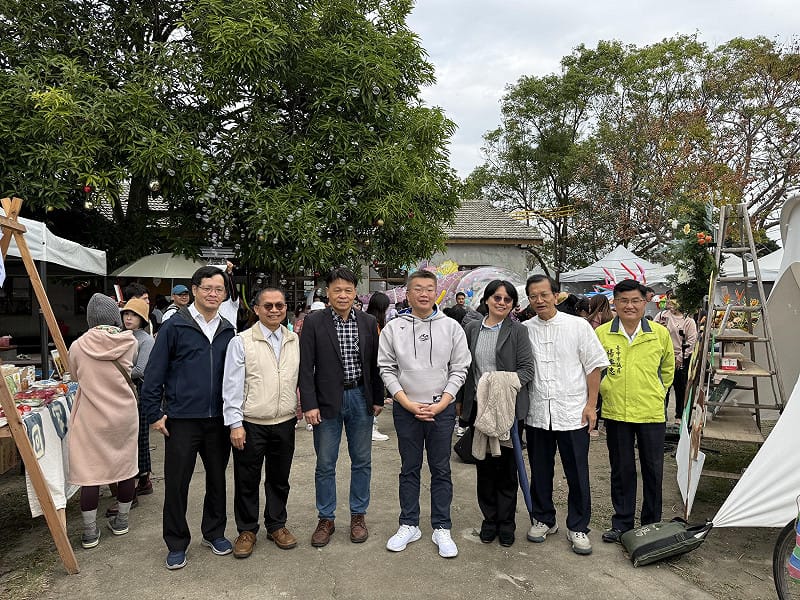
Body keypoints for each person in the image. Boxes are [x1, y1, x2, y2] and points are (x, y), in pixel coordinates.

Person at [140, 266, 236, 570]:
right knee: (177, 483)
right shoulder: (174, 325)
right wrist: (154, 414)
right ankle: (177, 542)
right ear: (194, 290)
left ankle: (214, 532)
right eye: (207, 288)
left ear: (224, 294)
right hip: (181, 419)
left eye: (218, 289)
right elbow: (154, 372)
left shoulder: (227, 329)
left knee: (218, 480)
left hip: (218, 419)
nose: (213, 294)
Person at [378, 270, 471, 558]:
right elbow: (387, 368)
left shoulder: (451, 327)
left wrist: (443, 403)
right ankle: (409, 523)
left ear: (436, 293)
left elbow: (460, 367)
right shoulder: (394, 327)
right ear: (408, 293)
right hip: (407, 410)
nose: (424, 294)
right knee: (410, 468)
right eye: (417, 288)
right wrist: (405, 402)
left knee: (441, 468)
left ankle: (441, 526)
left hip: (440, 411)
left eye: (429, 289)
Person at [523, 275, 610, 555]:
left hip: (573, 412)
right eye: (533, 296)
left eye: (544, 295)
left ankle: (578, 526)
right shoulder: (524, 330)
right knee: (540, 470)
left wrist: (591, 405)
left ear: (556, 296)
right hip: (538, 413)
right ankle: (544, 519)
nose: (539, 300)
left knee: (577, 472)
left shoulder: (578, 326)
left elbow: (594, 366)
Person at [298, 268, 384, 548]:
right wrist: (309, 404)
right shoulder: (314, 322)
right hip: (326, 402)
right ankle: (326, 518)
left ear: (355, 292)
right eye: (337, 290)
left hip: (360, 396)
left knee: (362, 461)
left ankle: (358, 516)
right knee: (325, 463)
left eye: (348, 290)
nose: (343, 295)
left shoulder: (368, 321)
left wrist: (377, 398)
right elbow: (305, 366)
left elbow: (375, 364)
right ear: (328, 293)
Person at [594, 279, 674, 544]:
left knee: (653, 469)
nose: (629, 306)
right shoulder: (603, 333)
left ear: (645, 301)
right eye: (623, 300)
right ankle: (622, 522)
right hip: (617, 412)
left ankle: (651, 523)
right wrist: (606, 390)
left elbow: (667, 370)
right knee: (622, 469)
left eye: (635, 300)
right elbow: (595, 369)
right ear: (614, 303)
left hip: (650, 413)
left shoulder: (659, 333)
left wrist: (657, 393)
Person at [222, 288, 300, 559]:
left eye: (279, 305)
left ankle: (276, 525)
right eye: (268, 306)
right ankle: (246, 530)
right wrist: (235, 424)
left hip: (285, 421)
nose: (274, 310)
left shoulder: (293, 339)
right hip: (251, 422)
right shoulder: (241, 341)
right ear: (256, 309)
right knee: (247, 479)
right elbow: (231, 386)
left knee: (279, 479)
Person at [459, 280, 534, 547]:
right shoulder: (471, 329)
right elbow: (466, 369)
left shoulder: (518, 331)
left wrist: (502, 383)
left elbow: (527, 370)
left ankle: (507, 522)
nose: (501, 303)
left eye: (507, 299)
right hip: (480, 408)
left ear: (513, 304)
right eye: (497, 297)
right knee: (484, 466)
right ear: (487, 299)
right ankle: (489, 520)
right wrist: (463, 404)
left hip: (508, 409)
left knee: (506, 468)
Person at [68, 293, 138, 548]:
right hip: (124, 415)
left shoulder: (78, 346)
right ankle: (122, 520)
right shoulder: (129, 342)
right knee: (126, 465)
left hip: (91, 415)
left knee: (91, 472)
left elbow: (74, 374)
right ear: (114, 317)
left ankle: (89, 532)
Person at [121, 298, 156, 499]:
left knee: (140, 436)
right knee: (127, 437)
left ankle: (141, 479)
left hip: (139, 391)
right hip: (120, 390)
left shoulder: (146, 340)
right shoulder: (119, 336)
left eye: (133, 314)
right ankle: (139, 480)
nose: (128, 317)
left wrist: (112, 371)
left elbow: (140, 370)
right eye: (126, 313)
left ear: (142, 319)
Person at [655, 298, 698, 424]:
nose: (670, 305)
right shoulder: (662, 316)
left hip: (680, 356)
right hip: (662, 356)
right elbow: (652, 331)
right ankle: (661, 413)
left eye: (672, 302)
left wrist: (680, 358)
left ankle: (679, 415)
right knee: (662, 386)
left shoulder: (688, 320)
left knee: (680, 387)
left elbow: (692, 341)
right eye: (669, 302)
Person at [366, 291, 391, 442]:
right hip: (373, 366)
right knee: (374, 397)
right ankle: (372, 427)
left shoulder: (369, 320)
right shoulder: (374, 323)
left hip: (372, 365)